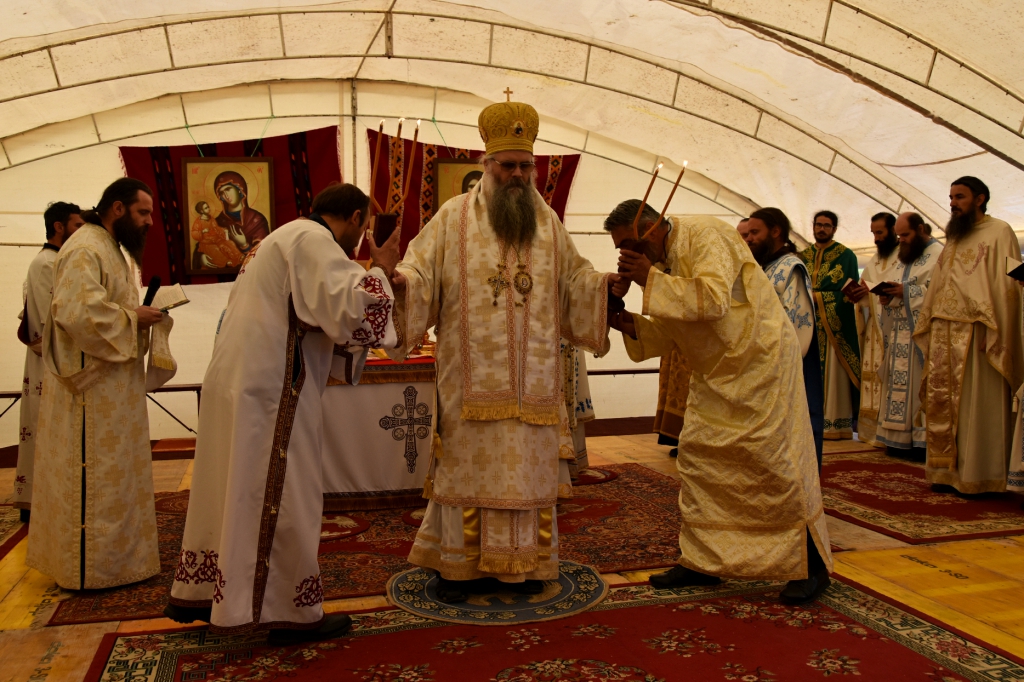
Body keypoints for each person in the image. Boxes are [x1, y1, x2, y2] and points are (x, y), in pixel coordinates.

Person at [390, 98, 616, 603]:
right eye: (508, 166)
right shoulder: (452, 218)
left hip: (535, 385)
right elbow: (419, 271)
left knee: (528, 476)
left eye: (525, 167)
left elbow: (575, 278)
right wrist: (402, 284)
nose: (517, 175)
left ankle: (528, 565)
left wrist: (604, 285)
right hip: (469, 385)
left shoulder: (547, 221)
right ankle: (458, 568)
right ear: (486, 164)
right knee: (466, 471)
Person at [166, 184, 402, 643]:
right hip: (273, 390)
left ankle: (207, 592)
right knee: (287, 492)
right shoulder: (314, 241)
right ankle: (288, 611)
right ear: (356, 218)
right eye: (361, 229)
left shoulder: (278, 237)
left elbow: (310, 313)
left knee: (233, 488)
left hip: (239, 381)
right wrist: (382, 270)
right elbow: (349, 309)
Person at [609, 203, 832, 604]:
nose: (626, 254)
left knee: (774, 464)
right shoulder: (659, 263)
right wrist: (626, 321)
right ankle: (703, 562)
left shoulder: (705, 233)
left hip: (758, 363)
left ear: (652, 228)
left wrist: (649, 279)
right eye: (620, 249)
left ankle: (810, 566)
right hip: (715, 370)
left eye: (629, 244)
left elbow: (712, 300)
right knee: (698, 460)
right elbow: (678, 326)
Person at [26, 178, 173, 590]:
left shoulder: (111, 248)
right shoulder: (86, 247)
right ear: (118, 209)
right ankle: (93, 569)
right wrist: (133, 318)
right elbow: (77, 312)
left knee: (120, 478)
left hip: (115, 391)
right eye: (143, 212)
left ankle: (121, 562)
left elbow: (110, 305)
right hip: (91, 394)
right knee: (98, 479)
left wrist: (143, 314)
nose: (149, 222)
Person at [915, 177, 1023, 494]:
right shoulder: (954, 235)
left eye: (959, 197)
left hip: (978, 330)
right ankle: (945, 473)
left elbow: (1008, 287)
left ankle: (979, 475)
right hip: (944, 330)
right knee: (943, 405)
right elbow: (940, 281)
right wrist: (930, 321)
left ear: (980, 198)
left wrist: (998, 329)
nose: (953, 203)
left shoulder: (1000, 231)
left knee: (975, 405)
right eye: (950, 197)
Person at [13, 202, 85, 521]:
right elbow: (47, 321)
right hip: (50, 363)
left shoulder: (59, 260)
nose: (81, 232)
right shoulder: (46, 263)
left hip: (59, 359)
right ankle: (41, 503)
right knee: (46, 431)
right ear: (59, 227)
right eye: (77, 225)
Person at [743, 208, 823, 465]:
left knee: (795, 432)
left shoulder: (791, 268)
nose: (749, 239)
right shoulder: (765, 267)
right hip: (766, 362)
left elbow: (796, 324)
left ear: (776, 231)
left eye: (755, 232)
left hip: (788, 365)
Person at [873, 213, 942, 461]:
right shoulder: (904, 256)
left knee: (917, 389)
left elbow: (940, 293)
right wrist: (888, 296)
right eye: (899, 235)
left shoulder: (939, 254)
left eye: (905, 235)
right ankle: (897, 439)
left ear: (921, 229)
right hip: (899, 333)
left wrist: (907, 292)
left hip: (922, 336)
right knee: (897, 387)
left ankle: (919, 442)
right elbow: (896, 285)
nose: (901, 240)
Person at [800, 211, 862, 440]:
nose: (822, 229)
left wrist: (820, 298)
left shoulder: (846, 256)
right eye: (818, 224)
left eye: (827, 225)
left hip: (833, 329)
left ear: (834, 229)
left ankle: (834, 424)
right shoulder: (803, 255)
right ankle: (806, 422)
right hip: (806, 325)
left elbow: (850, 293)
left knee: (833, 376)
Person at [853, 213, 898, 446]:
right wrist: (860, 295)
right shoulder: (875, 260)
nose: (876, 238)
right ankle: (871, 432)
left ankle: (887, 432)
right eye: (873, 233)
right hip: (874, 327)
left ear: (893, 230)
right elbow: (867, 288)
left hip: (892, 327)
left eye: (880, 232)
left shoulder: (903, 256)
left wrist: (871, 292)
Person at [211, 171, 270, 255]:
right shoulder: (217, 222)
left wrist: (244, 245)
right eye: (221, 193)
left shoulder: (257, 220)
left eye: (228, 189)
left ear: (239, 189)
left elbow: (264, 254)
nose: (226, 195)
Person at [192, 200, 243, 269]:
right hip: (207, 243)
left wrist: (223, 230)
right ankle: (226, 261)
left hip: (216, 239)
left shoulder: (211, 218)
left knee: (228, 243)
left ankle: (238, 256)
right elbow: (194, 233)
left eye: (208, 207)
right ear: (201, 211)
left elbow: (216, 228)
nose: (208, 209)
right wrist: (202, 231)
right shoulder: (198, 222)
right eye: (206, 208)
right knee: (215, 249)